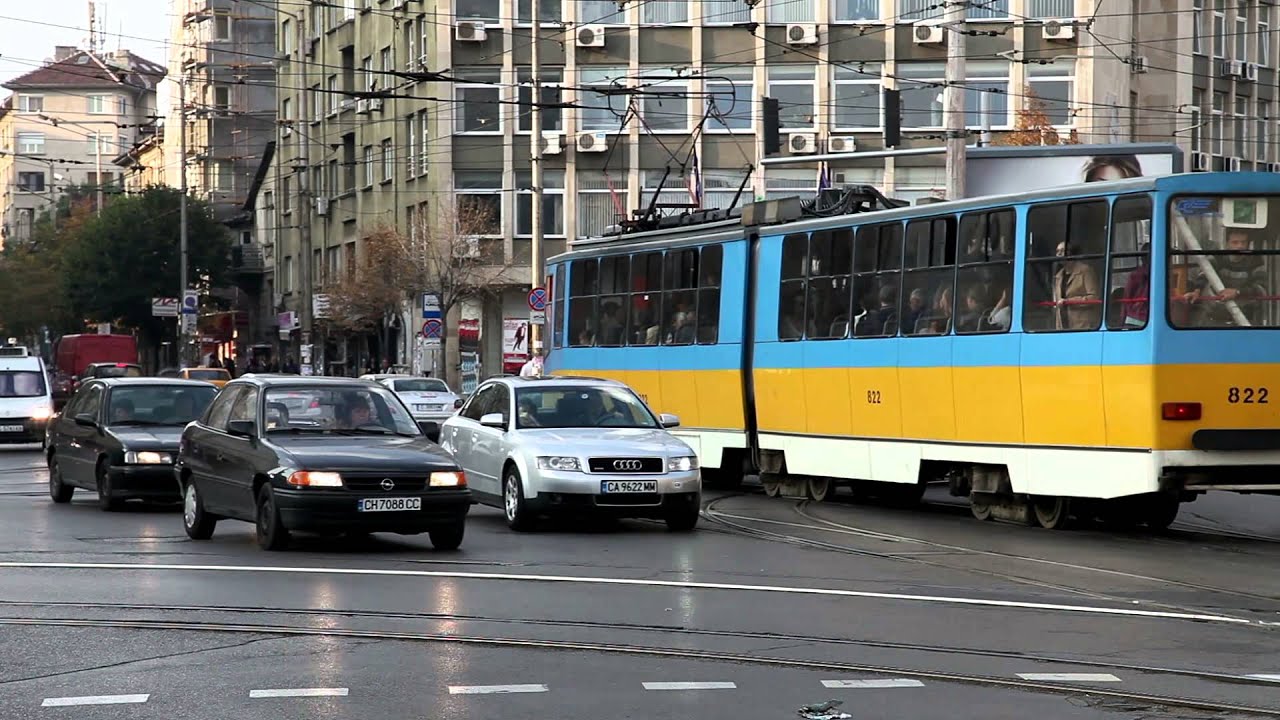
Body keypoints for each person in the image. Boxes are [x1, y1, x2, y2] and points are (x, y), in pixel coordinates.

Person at [1053, 241, 1102, 330]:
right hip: (1063, 326)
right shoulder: (1058, 276)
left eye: (1062, 251)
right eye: (1057, 251)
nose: (1058, 254)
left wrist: (1068, 301)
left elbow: (1094, 297)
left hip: (1083, 326)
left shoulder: (1085, 271)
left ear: (1071, 253)